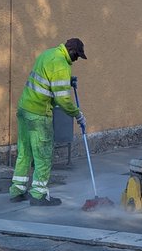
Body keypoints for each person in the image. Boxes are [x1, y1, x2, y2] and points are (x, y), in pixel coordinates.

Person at [11, 38, 88, 206]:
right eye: (77, 56)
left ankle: (17, 190)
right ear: (72, 52)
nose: (76, 60)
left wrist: (67, 81)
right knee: (43, 155)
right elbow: (62, 99)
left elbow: (47, 79)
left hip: (24, 109)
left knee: (25, 152)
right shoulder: (62, 64)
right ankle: (38, 194)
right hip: (39, 114)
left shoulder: (48, 54)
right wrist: (78, 115)